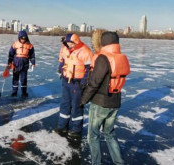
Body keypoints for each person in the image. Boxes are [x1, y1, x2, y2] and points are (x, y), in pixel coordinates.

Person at [80, 31, 130, 165]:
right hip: (115, 101)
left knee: (93, 136)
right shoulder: (121, 57)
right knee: (109, 134)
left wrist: (83, 99)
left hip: (100, 103)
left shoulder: (103, 58)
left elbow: (94, 82)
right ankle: (119, 162)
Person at [55, 33, 93, 137]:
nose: (69, 45)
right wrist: (61, 69)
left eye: (71, 43)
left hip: (77, 83)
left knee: (77, 106)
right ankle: (62, 126)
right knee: (65, 104)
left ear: (76, 42)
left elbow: (90, 68)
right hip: (66, 80)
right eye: (67, 43)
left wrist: (84, 81)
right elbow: (63, 60)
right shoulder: (66, 49)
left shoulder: (85, 51)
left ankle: (76, 129)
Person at [7, 30, 35, 98]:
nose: (23, 39)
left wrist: (33, 63)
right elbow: (11, 54)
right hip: (16, 63)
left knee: (24, 79)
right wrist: (10, 63)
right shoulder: (15, 44)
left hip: (25, 63)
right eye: (22, 38)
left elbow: (32, 55)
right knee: (15, 78)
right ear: (19, 37)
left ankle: (24, 92)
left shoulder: (30, 45)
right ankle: (14, 92)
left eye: (24, 38)